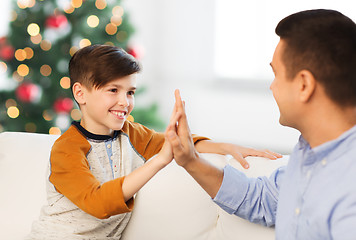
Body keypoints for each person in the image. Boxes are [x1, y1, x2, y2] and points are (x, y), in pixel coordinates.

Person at [27, 44, 280, 239]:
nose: (125, 102)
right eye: (113, 91)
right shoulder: (66, 149)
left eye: (130, 92)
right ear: (80, 93)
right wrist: (160, 161)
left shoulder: (130, 134)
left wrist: (225, 147)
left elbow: (175, 141)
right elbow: (98, 202)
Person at [166, 9, 356, 239]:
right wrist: (190, 160)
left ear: (304, 85)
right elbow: (263, 200)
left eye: (276, 74)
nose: (272, 86)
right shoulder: (308, 152)